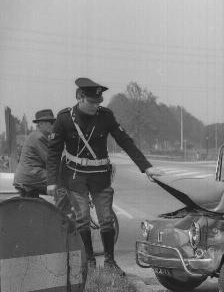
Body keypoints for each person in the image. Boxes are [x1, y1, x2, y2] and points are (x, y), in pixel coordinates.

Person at [46, 77, 157, 275]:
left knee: (106, 219)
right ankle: (89, 261)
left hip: (100, 176)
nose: (97, 106)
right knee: (82, 218)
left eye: (99, 102)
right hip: (74, 176)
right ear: (80, 97)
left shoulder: (106, 116)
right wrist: (52, 181)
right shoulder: (64, 118)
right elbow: (54, 152)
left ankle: (110, 262)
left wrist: (146, 167)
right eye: (92, 102)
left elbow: (125, 141)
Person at [13, 109, 56, 197]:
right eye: (51, 122)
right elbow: (50, 161)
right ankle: (63, 210)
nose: (54, 125)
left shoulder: (35, 135)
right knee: (64, 185)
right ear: (41, 124)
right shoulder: (39, 137)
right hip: (32, 175)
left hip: (27, 176)